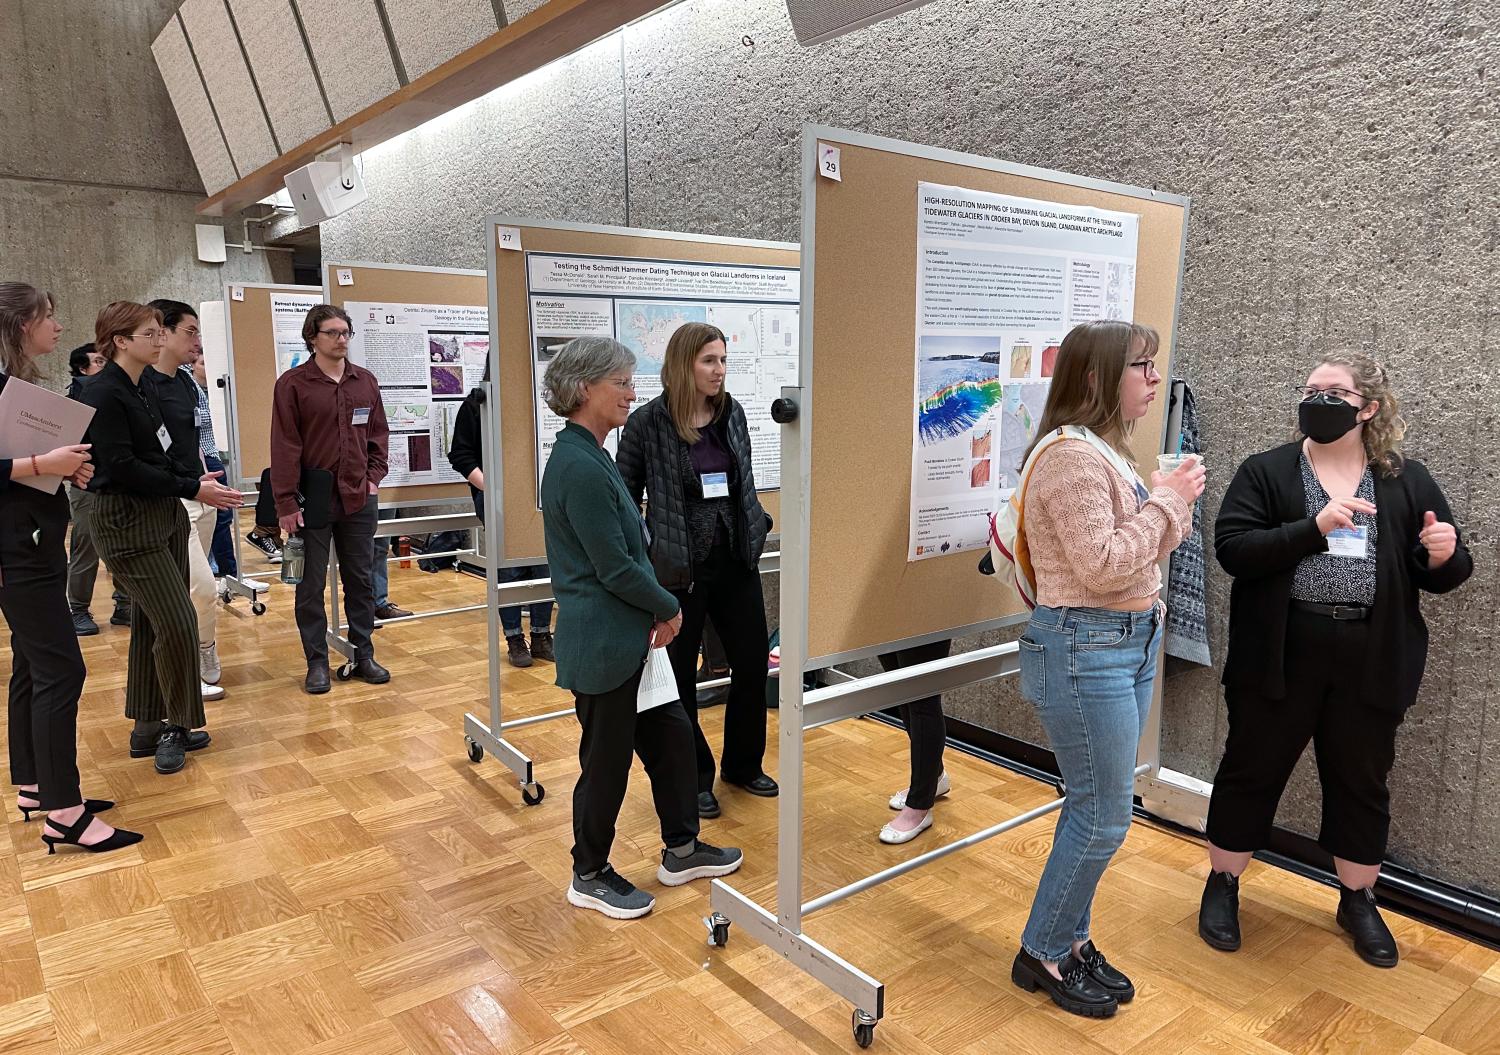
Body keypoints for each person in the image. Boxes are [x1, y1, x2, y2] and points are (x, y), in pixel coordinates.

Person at [1199, 353, 1472, 969]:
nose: (1318, 400)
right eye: (1310, 390)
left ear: (1368, 408)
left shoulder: (1406, 479)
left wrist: (1442, 554)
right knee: (1252, 768)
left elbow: (1446, 575)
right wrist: (1314, 527)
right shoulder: (1267, 472)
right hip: (1281, 653)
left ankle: (1357, 898)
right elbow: (1234, 550)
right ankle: (1223, 884)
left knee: (1361, 780)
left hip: (1370, 657)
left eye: (1335, 392)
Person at [1009, 319, 1203, 1018]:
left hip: (1121, 640)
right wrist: (1168, 501)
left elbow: (1145, 549)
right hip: (1086, 644)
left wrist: (1165, 505)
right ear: (1095, 379)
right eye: (1141, 366)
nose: (1155, 379)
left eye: (1153, 366)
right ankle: (1044, 949)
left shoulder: (1104, 450)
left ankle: (1071, 936)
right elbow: (1105, 563)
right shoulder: (1070, 457)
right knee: (1103, 813)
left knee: (1099, 807)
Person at [540, 335, 743, 919]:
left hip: (631, 639)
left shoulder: (594, 451)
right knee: (604, 764)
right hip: (605, 642)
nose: (633, 392)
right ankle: (589, 871)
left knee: (674, 739)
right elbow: (614, 567)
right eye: (621, 383)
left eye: (632, 381)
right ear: (584, 390)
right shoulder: (577, 465)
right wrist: (668, 606)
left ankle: (681, 848)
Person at [0, 284, 142, 853]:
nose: (57, 328)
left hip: (32, 539)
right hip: (18, 550)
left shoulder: (16, 384)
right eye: (48, 317)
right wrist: (42, 462)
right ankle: (65, 811)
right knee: (63, 672)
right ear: (19, 323)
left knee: (34, 668)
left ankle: (36, 785)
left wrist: (64, 469)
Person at [616, 322, 776, 819]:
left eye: (724, 360)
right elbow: (623, 492)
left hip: (735, 558)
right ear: (685, 364)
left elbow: (741, 480)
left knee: (751, 664)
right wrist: (648, 548)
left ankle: (743, 764)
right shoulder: (648, 422)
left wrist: (757, 524)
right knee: (680, 675)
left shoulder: (732, 414)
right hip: (679, 569)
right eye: (710, 360)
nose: (719, 370)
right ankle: (695, 776)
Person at [80, 302, 240, 775]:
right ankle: (179, 723)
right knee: (178, 622)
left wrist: (191, 479)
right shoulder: (101, 393)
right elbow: (123, 466)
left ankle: (147, 724)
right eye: (150, 333)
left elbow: (163, 446)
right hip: (127, 521)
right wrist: (192, 486)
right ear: (121, 342)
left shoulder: (147, 384)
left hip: (162, 512)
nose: (159, 339)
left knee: (154, 623)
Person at [270, 304, 390, 694]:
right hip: (312, 500)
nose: (341, 340)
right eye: (333, 333)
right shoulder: (293, 384)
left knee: (361, 579)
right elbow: (284, 445)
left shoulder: (365, 382)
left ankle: (363, 654)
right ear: (312, 338)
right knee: (308, 583)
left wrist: (373, 478)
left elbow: (378, 435)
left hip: (358, 496)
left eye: (345, 333)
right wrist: (285, 502)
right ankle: (316, 662)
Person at [144, 300, 226, 698]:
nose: (198, 339)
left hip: (200, 492)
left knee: (197, 590)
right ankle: (192, 660)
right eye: (190, 331)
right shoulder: (141, 384)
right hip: (169, 497)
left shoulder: (185, 382)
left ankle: (204, 646)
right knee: (202, 587)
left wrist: (202, 473)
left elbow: (192, 435)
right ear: (165, 332)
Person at [446, 365, 554, 666]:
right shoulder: (475, 405)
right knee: (508, 572)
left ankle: (542, 635)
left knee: (542, 564)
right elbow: (460, 456)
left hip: (537, 496)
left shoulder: (538, 401)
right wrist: (491, 490)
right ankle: (514, 638)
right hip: (494, 498)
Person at [63, 342, 130, 634]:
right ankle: (77, 609)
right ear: (82, 368)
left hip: (120, 484)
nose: (105, 366)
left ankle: (125, 605)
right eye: (98, 361)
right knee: (86, 547)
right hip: (88, 484)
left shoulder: (119, 391)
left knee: (124, 546)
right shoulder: (77, 397)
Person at [877, 640, 953, 844]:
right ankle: (934, 779)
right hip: (886, 609)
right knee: (903, 689)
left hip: (928, 610)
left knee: (922, 697)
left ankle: (920, 805)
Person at [188, 349, 239, 580]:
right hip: (201, 460)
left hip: (212, 455)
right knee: (214, 515)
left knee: (222, 516)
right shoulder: (187, 385)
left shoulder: (218, 393)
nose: (207, 368)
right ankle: (220, 570)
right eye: (202, 363)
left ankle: (226, 570)